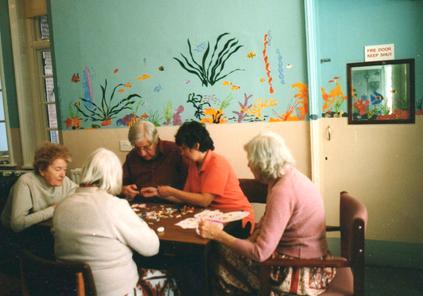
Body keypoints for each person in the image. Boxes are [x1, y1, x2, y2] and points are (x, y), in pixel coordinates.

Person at [197, 131, 336, 296]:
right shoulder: (284, 177)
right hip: (306, 259)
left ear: (262, 162)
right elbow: (266, 221)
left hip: (298, 271)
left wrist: (217, 234)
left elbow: (260, 253)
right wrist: (249, 239)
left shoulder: (283, 191)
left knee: (215, 256)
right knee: (222, 249)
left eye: (251, 159)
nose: (248, 164)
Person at [53, 148, 160, 296]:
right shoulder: (114, 206)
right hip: (117, 292)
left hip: (74, 290)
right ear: (114, 176)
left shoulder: (62, 206)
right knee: (171, 279)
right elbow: (152, 247)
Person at [142, 121, 254, 237]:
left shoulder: (217, 163)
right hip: (213, 215)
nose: (181, 153)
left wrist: (171, 191)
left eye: (184, 148)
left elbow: (204, 200)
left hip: (236, 217)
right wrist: (158, 193)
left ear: (196, 146)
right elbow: (185, 197)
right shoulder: (193, 164)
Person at [1, 142, 77, 232]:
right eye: (58, 169)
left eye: (65, 169)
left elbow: (80, 192)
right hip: (15, 234)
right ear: (42, 170)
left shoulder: (65, 181)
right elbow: (17, 224)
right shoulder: (26, 183)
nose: (63, 174)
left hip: (42, 227)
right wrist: (53, 210)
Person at [121, 120, 187, 201]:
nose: (142, 153)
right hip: (140, 206)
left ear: (155, 140)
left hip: (171, 206)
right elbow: (119, 185)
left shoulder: (175, 151)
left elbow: (189, 189)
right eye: (137, 148)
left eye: (146, 147)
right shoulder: (132, 156)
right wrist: (124, 190)